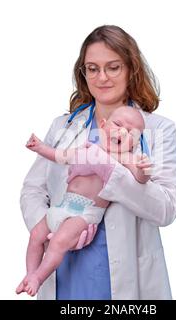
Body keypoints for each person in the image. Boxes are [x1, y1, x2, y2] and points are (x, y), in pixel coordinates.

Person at [20, 25, 176, 299]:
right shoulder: (64, 126)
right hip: (65, 266)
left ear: (131, 69)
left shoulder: (158, 129)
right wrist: (51, 226)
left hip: (129, 273)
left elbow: (167, 207)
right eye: (92, 68)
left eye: (113, 67)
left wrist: (112, 173)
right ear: (83, 74)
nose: (102, 77)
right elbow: (33, 190)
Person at [16, 106, 152, 296]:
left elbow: (139, 177)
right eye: (118, 124)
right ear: (103, 126)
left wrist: (145, 170)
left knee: (58, 243)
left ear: (135, 143)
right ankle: (30, 274)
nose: (122, 131)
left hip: (85, 213)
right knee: (36, 236)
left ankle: (38, 277)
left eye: (130, 132)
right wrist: (40, 147)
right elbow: (58, 156)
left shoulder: (123, 157)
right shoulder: (86, 148)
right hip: (63, 205)